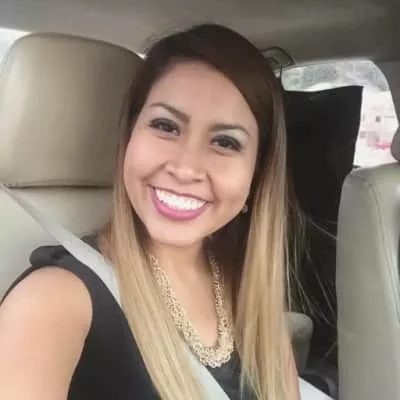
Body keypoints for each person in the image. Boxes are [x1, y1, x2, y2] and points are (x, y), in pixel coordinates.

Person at [0, 24, 300, 399]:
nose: (186, 168)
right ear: (129, 136)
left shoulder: (252, 298)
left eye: (225, 142)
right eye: (165, 126)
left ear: (257, 175)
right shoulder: (53, 302)